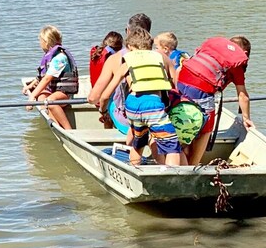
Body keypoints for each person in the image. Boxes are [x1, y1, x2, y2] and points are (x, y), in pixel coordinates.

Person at [98, 25, 181, 166]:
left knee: (138, 143)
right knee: (172, 147)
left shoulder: (127, 61)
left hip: (132, 105)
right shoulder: (162, 58)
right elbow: (175, 87)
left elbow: (105, 96)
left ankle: (134, 171)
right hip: (153, 104)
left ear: (130, 46)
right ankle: (173, 179)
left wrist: (103, 111)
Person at [176, 35, 253, 165]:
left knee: (183, 120)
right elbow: (242, 95)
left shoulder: (212, 50)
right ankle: (192, 166)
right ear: (244, 53)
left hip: (182, 81)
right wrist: (246, 118)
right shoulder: (236, 63)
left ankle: (182, 153)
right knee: (206, 128)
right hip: (201, 88)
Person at [88, 13, 152, 133]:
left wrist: (103, 111)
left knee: (110, 100)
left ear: (127, 31)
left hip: (128, 122)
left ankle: (110, 136)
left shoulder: (115, 59)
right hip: (155, 117)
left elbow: (93, 98)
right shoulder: (160, 57)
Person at [23, 25, 79, 129]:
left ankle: (68, 130)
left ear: (47, 42)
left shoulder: (60, 58)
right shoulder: (51, 56)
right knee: (41, 97)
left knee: (50, 101)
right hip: (55, 90)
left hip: (65, 93)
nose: (39, 44)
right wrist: (30, 86)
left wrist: (31, 97)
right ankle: (56, 125)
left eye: (40, 41)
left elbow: (47, 79)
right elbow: (42, 76)